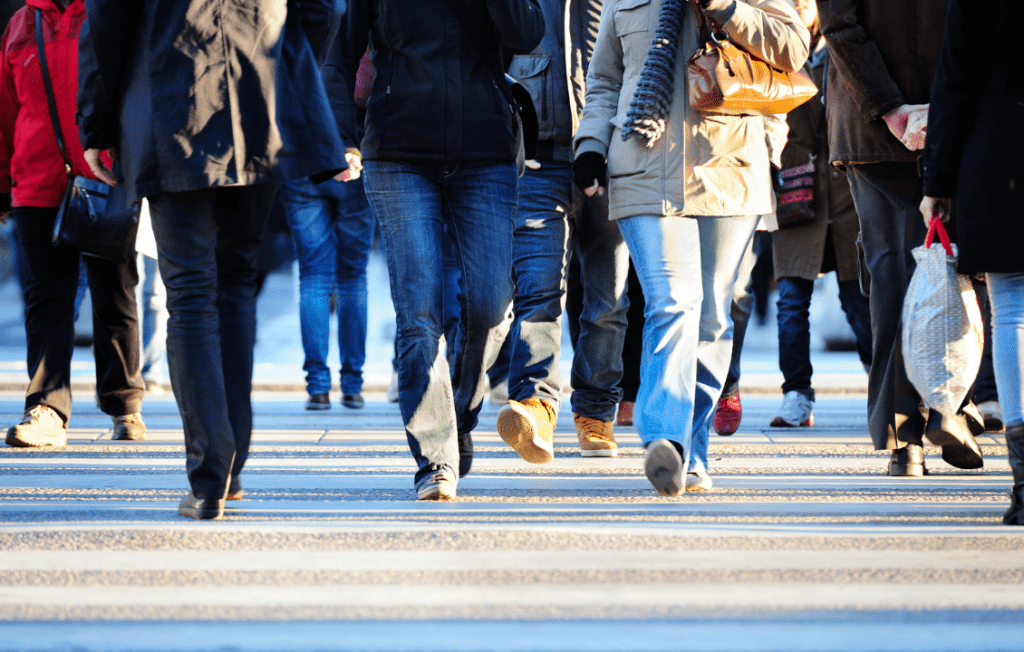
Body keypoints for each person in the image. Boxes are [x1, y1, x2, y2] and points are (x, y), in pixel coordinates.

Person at [77, 0, 348, 519]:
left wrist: (97, 122)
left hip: (170, 100)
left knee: (191, 293)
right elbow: (321, 11)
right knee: (236, 284)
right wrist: (281, 70)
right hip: (260, 101)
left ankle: (209, 475)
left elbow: (108, 20)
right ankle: (232, 464)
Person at [574, 0, 809, 495]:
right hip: (641, 170)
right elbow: (604, 82)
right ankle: (667, 439)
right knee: (672, 301)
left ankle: (693, 450)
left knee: (712, 319)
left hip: (731, 172)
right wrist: (591, 145)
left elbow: (793, 48)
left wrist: (724, 6)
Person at [335, 0, 543, 500]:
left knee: (492, 306)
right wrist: (344, 137)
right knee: (419, 307)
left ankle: (459, 413)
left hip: (486, 149)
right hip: (397, 151)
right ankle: (435, 457)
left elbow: (528, 34)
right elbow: (339, 56)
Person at [819, 0, 984, 476]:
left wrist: (888, 108)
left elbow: (838, 25)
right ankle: (948, 409)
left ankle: (906, 437)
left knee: (896, 278)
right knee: (955, 272)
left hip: (871, 129)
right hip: (953, 117)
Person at [1, 0, 146, 449]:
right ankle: (46, 408)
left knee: (115, 294)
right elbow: (5, 109)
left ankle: (124, 402)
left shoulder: (110, 12)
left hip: (104, 176)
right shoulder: (22, 24)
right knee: (45, 300)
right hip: (36, 180)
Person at [495, 0, 630, 463]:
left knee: (607, 300)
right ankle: (536, 405)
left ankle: (596, 411)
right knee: (537, 289)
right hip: (538, 162)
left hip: (614, 161)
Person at [918, 0, 1024, 524]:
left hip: (1002, 145)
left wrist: (937, 181)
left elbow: (956, 72)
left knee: (1013, 306)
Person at [768, 0, 871, 428]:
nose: (796, 6)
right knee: (791, 303)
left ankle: (882, 386)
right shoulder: (774, 51)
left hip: (848, 195)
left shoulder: (848, 45)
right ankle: (796, 393)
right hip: (795, 191)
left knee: (859, 302)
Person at [277, 171, 376, 411]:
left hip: (304, 164)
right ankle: (353, 387)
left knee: (313, 276)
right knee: (352, 277)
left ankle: (318, 387)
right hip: (356, 166)